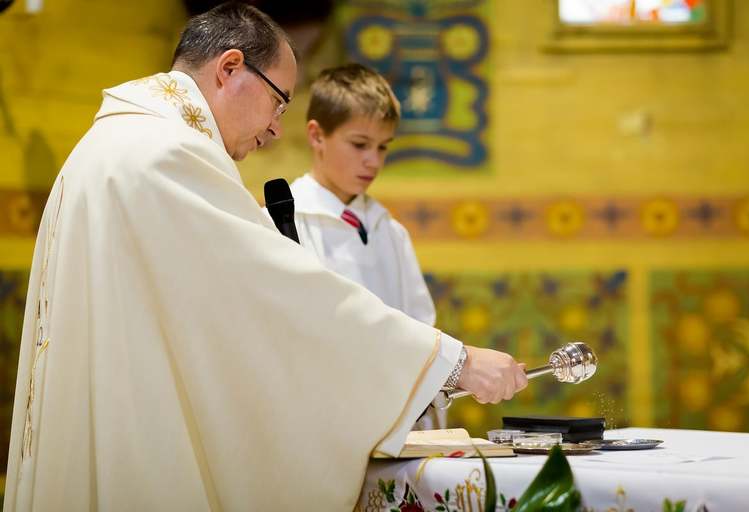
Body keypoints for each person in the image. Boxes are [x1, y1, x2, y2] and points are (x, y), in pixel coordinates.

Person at [4, 3, 528, 510]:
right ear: (230, 68)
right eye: (279, 100)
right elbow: (286, 295)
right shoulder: (165, 155)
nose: (278, 127)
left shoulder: (117, 141)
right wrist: (451, 361)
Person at [290, 63, 439, 428]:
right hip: (321, 419)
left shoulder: (390, 232)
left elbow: (421, 329)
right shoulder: (285, 223)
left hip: (395, 420)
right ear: (317, 135)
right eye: (359, 144)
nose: (373, 161)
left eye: (383, 147)